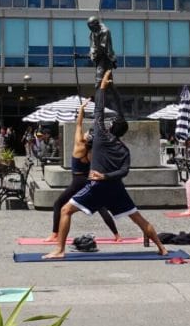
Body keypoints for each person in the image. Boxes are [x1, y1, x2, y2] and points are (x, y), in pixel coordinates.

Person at [45, 71, 166, 258]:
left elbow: (99, 109)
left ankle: (59, 250)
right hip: (116, 187)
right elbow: (124, 171)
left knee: (65, 210)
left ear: (111, 127)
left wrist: (102, 87)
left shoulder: (100, 136)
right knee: (138, 219)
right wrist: (114, 89)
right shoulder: (124, 149)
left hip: (98, 185)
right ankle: (162, 248)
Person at [44, 101, 121, 244]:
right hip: (89, 180)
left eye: (87, 133)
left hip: (77, 181)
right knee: (101, 207)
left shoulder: (79, 144)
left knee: (58, 204)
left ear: (86, 138)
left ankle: (55, 234)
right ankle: (117, 235)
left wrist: (81, 109)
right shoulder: (93, 151)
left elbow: (78, 125)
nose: (85, 132)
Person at [87, 16, 117, 85]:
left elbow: (102, 47)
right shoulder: (93, 32)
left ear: (96, 24)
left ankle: (100, 93)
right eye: (89, 27)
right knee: (108, 81)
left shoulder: (105, 31)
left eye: (91, 26)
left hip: (106, 56)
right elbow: (92, 45)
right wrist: (92, 53)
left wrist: (94, 54)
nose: (90, 29)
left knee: (99, 80)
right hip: (98, 56)